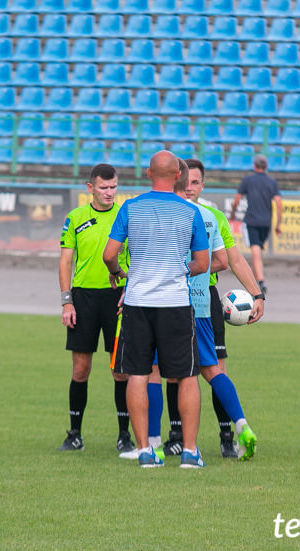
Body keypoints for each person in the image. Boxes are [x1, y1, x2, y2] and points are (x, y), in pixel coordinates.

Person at [103, 150, 224, 468]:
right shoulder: (191, 212)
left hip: (138, 302)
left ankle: (145, 450)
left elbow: (109, 254)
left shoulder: (130, 207)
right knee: (187, 377)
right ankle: (190, 451)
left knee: (139, 374)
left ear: (147, 174)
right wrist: (178, 269)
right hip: (175, 304)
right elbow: (202, 262)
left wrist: (118, 272)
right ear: (178, 177)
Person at [185, 158, 264, 459]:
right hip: (185, 299)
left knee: (213, 368)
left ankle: (226, 436)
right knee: (184, 371)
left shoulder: (213, 216)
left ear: (203, 185)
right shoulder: (176, 213)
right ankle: (177, 435)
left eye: (195, 182)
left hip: (204, 296)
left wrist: (257, 294)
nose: (190, 188)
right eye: (185, 182)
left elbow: (233, 259)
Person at [58, 163, 133, 453]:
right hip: (84, 299)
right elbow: (66, 260)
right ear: (90, 188)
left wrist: (131, 288)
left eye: (113, 187)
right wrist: (67, 301)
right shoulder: (75, 218)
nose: (109, 193)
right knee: (81, 369)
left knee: (120, 371)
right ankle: (74, 434)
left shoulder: (125, 216)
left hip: (118, 298)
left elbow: (136, 255)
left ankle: (124, 435)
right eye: (103, 187)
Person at [228, 155, 282, 299]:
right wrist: (278, 224)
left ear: (254, 166)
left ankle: (261, 281)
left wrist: (233, 214)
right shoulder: (272, 182)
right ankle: (258, 276)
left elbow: (237, 200)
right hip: (266, 222)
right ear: (266, 167)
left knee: (256, 252)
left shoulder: (248, 180)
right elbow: (278, 203)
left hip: (252, 220)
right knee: (258, 251)